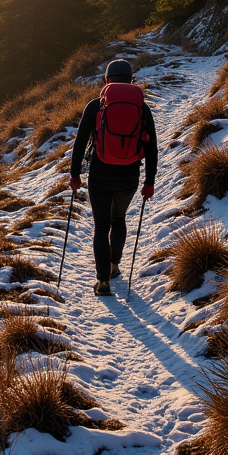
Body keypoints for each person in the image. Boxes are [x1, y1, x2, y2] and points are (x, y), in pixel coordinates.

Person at [69, 59, 158, 296]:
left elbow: (79, 143)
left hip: (100, 174)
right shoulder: (142, 108)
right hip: (129, 176)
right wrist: (149, 182)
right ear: (131, 81)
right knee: (118, 219)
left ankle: (103, 282)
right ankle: (114, 266)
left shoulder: (94, 107)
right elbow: (152, 148)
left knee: (101, 226)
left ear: (105, 81)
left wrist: (74, 175)